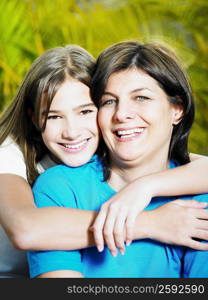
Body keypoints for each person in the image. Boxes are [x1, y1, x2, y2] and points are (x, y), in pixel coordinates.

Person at [27, 40, 208, 278]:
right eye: (109, 101)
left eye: (141, 97)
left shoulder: (198, 198)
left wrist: (145, 187)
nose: (122, 114)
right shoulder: (59, 188)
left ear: (177, 109)